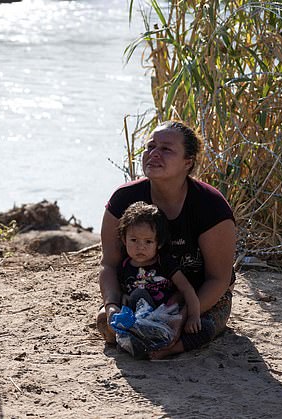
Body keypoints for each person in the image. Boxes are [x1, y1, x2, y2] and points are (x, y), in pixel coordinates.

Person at [97, 120, 236, 359]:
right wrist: (111, 305)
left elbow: (218, 278)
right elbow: (108, 264)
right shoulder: (123, 199)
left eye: (166, 149)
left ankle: (169, 346)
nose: (154, 154)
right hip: (139, 291)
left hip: (196, 297)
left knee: (188, 332)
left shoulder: (211, 206)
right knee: (106, 324)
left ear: (188, 162)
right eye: (150, 147)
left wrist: (180, 316)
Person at [116, 201, 201, 335]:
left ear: (159, 243)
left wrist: (194, 316)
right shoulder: (124, 266)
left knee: (141, 293)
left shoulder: (164, 262)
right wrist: (124, 297)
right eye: (134, 240)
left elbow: (186, 288)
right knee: (136, 295)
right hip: (139, 319)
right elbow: (122, 291)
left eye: (148, 242)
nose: (140, 247)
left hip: (166, 315)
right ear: (124, 239)